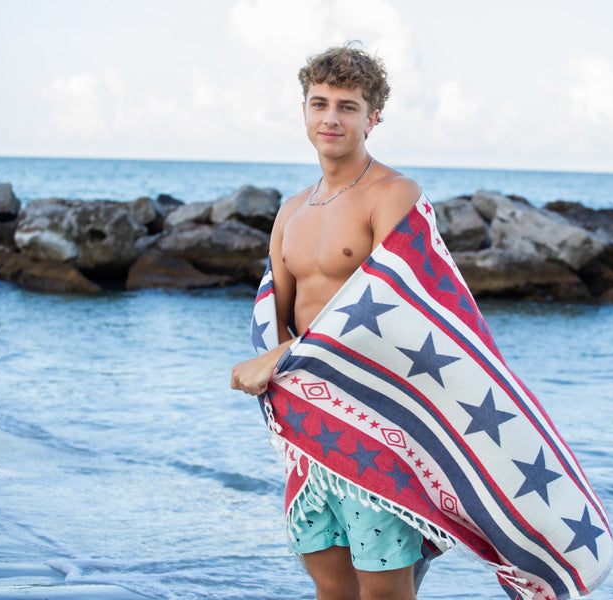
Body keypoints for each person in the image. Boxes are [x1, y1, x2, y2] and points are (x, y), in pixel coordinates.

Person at [231, 44, 424, 600]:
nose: (331, 118)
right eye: (319, 103)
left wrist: (278, 358)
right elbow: (280, 318)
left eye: (347, 105)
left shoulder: (394, 195)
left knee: (384, 589)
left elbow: (395, 307)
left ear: (373, 117)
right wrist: (280, 354)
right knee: (329, 585)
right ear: (305, 111)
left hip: (377, 419)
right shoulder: (291, 210)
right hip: (311, 423)